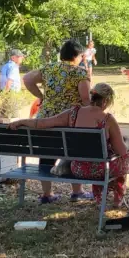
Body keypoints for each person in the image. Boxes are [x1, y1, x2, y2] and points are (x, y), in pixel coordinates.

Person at [8, 83, 129, 204]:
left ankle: (100, 195)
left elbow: (42, 123)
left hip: (78, 169)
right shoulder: (108, 119)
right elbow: (121, 151)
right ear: (106, 101)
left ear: (92, 96)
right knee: (125, 157)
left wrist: (21, 122)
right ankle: (117, 194)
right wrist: (127, 144)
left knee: (104, 161)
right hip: (101, 170)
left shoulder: (73, 113)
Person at [22, 40, 92, 203]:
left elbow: (27, 79)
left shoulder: (49, 68)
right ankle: (77, 191)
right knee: (74, 153)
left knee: (46, 154)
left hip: (44, 121)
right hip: (68, 121)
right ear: (77, 56)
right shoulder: (80, 73)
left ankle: (47, 194)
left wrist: (42, 97)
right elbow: (85, 99)